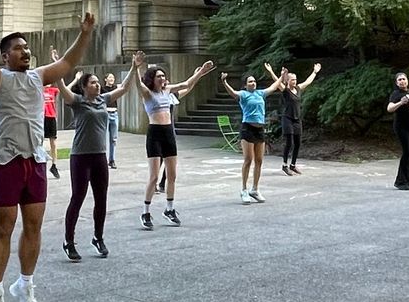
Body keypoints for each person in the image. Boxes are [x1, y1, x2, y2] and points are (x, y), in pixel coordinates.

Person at [0, 7, 95, 302]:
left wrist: (85, 33)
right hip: (5, 161)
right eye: (18, 48)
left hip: (35, 161)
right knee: (4, 228)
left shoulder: (38, 78)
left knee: (34, 227)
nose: (25, 51)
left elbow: (67, 63)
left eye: (26, 47)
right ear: (5, 57)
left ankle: (25, 284)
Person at [61, 54, 143, 261]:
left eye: (98, 82)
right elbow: (62, 89)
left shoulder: (103, 100)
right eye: (93, 83)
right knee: (77, 198)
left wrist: (134, 68)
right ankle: (68, 241)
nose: (97, 86)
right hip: (80, 157)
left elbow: (123, 88)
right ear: (85, 86)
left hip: (99, 157)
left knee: (101, 199)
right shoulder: (78, 102)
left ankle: (98, 237)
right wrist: (60, 66)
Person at [134, 59, 215, 229]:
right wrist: (135, 68)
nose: (163, 79)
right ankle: (145, 211)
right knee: (154, 176)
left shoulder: (168, 90)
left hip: (168, 133)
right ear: (152, 79)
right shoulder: (148, 93)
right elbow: (138, 84)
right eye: (159, 76)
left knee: (172, 175)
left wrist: (201, 72)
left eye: (164, 76)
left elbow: (186, 84)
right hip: (155, 134)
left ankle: (169, 209)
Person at [219, 69, 284, 204]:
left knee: (259, 160)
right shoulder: (243, 94)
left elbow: (273, 87)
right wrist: (224, 82)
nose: (253, 83)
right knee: (248, 160)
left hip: (260, 130)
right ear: (245, 85)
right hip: (247, 129)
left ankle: (255, 189)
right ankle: (244, 189)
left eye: (254, 81)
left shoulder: (260, 93)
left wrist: (282, 76)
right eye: (250, 82)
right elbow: (233, 93)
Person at [265, 61, 322, 174]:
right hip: (287, 119)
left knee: (298, 143)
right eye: (292, 80)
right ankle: (285, 165)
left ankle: (293, 165)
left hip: (297, 120)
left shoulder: (299, 88)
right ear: (288, 81)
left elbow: (308, 82)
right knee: (289, 143)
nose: (294, 81)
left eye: (295, 79)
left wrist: (315, 72)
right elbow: (277, 81)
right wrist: (271, 71)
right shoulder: (285, 90)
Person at [42, 75, 62, 178]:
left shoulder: (53, 90)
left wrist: (76, 80)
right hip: (41, 117)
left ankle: (54, 165)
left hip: (51, 117)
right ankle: (40, 163)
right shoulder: (39, 90)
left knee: (53, 142)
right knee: (39, 142)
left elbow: (64, 89)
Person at [101, 71, 121, 168]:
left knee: (113, 138)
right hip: (105, 113)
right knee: (103, 138)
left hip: (114, 113)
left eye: (113, 77)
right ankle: (103, 160)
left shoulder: (115, 88)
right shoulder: (102, 89)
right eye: (110, 77)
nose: (112, 79)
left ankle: (112, 160)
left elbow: (124, 86)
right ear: (105, 79)